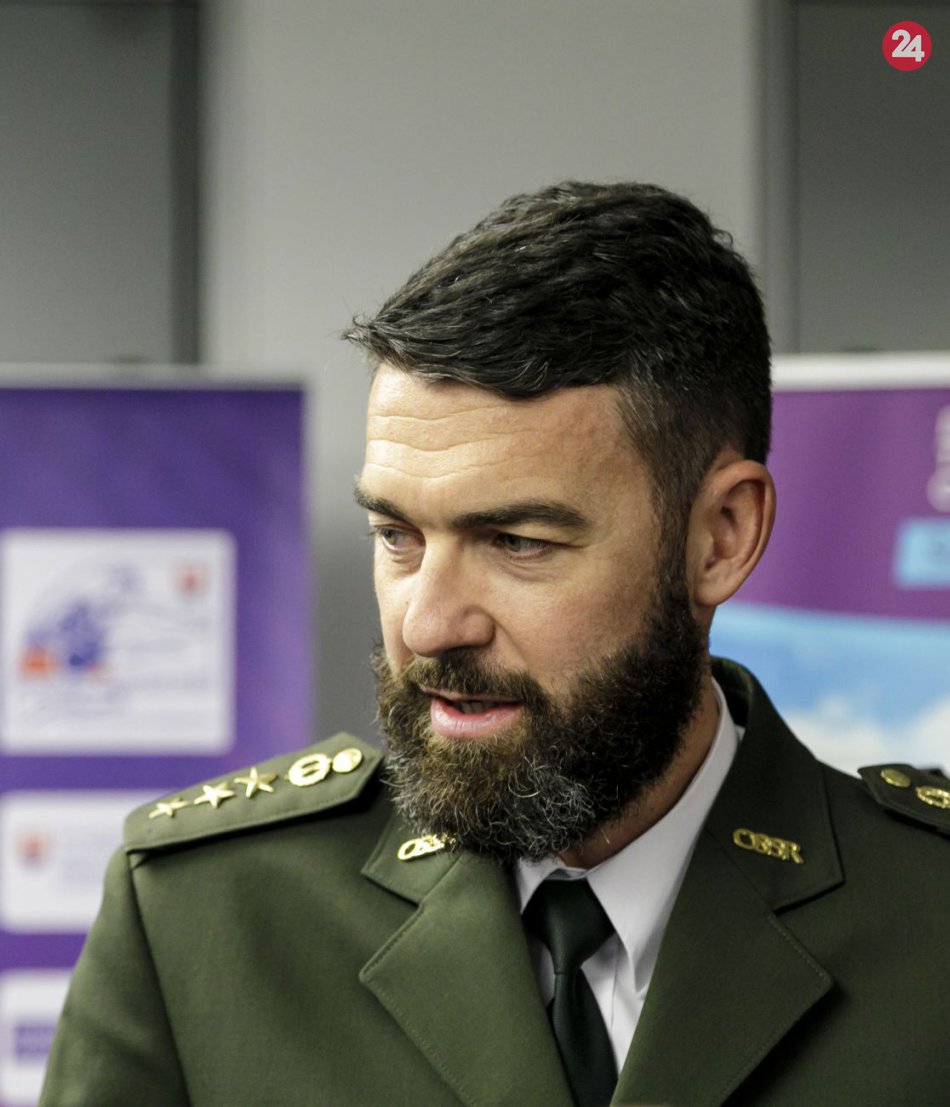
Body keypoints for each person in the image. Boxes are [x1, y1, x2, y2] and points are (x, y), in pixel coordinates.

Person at [41, 182, 950, 1107]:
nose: (428, 625)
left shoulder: (930, 919)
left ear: (720, 536)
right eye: (396, 535)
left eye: (517, 542)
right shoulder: (203, 915)